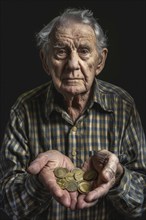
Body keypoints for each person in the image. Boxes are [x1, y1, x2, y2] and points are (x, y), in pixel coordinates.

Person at [0, 8, 146, 220]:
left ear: (100, 61)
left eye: (84, 51)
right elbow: (8, 203)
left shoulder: (123, 105)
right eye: (61, 51)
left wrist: (118, 176)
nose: (72, 64)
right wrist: (39, 181)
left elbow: (141, 201)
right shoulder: (23, 108)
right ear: (45, 60)